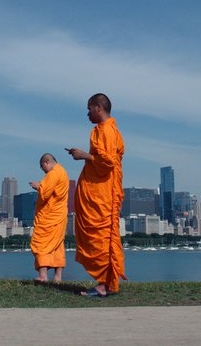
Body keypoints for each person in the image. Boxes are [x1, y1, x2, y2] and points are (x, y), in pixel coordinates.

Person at [66, 93, 126, 297]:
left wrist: (83, 155)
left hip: (103, 194)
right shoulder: (103, 130)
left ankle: (105, 285)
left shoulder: (107, 130)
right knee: (99, 237)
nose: (87, 113)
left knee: (101, 237)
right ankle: (105, 283)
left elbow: (108, 162)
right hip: (100, 191)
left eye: (89, 108)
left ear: (98, 107)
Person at [29, 153, 69, 282]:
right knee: (57, 245)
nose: (43, 171)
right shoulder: (63, 172)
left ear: (46, 162)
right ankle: (58, 277)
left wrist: (37, 186)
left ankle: (43, 275)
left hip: (49, 215)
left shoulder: (53, 173)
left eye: (42, 167)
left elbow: (45, 193)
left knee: (41, 243)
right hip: (60, 214)